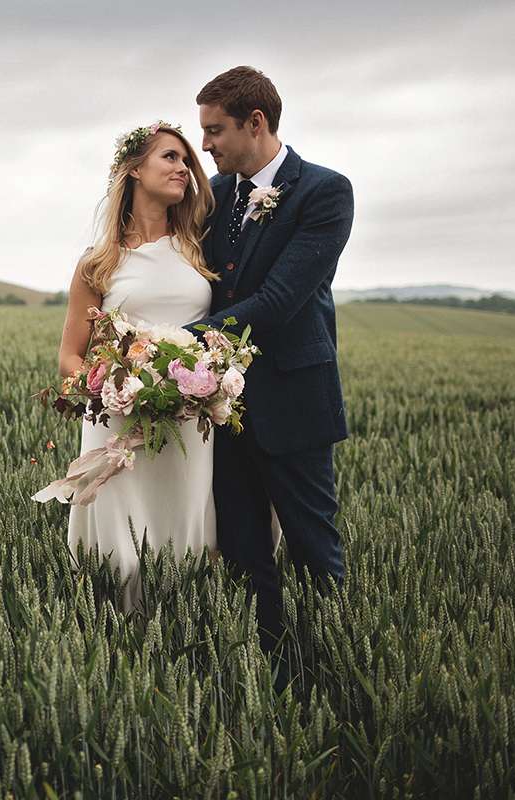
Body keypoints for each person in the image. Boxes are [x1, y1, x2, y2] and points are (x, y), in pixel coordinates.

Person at [185, 66, 354, 693]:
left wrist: (181, 342)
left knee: (314, 550)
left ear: (256, 123)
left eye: (214, 131)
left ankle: (338, 676)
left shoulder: (325, 192)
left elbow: (280, 299)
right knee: (243, 550)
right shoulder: (218, 195)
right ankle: (271, 674)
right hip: (220, 406)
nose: (206, 146)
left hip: (293, 400)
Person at [53, 121, 219, 614]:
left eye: (187, 161)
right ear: (134, 169)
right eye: (170, 157)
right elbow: (69, 356)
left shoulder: (199, 248)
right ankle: (114, 634)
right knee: (123, 557)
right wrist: (114, 386)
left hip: (190, 423)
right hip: (120, 422)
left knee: (184, 542)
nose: (183, 168)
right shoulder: (99, 263)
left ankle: (182, 639)